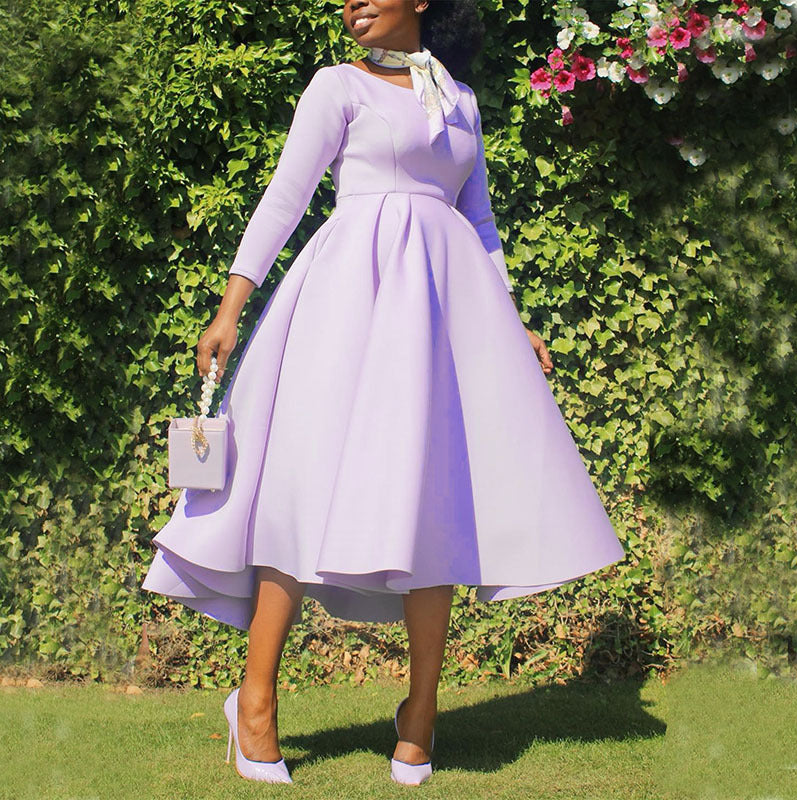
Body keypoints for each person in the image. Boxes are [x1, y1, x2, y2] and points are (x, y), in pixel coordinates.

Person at [141, 0, 626, 787]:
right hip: (345, 305)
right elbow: (286, 196)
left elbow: (481, 220)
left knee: (430, 501)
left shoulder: (458, 98)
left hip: (440, 320)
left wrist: (512, 318)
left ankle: (421, 714)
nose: (352, 5)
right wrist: (231, 306)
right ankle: (254, 704)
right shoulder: (337, 87)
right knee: (297, 492)